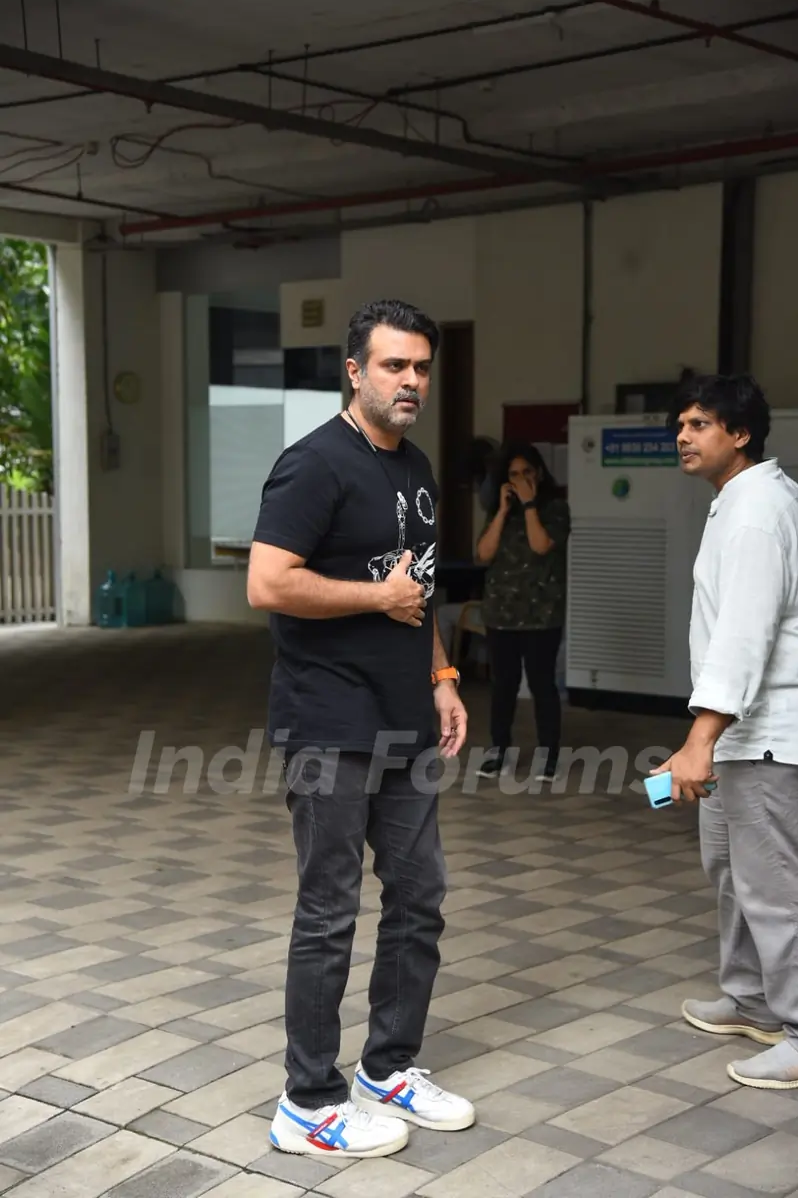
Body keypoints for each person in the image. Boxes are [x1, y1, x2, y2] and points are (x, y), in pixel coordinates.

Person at [247, 298, 475, 1158]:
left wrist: (442, 677)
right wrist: (377, 597)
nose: (411, 381)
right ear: (354, 371)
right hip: (329, 722)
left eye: (421, 367)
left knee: (419, 897)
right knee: (330, 911)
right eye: (394, 365)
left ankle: (388, 1069)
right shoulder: (313, 465)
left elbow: (418, 591)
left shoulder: (415, 466)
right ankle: (308, 1103)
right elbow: (268, 582)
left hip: (405, 720)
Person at [653, 373, 798, 1091]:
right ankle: (751, 999)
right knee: (731, 870)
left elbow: (745, 636)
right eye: (681, 424)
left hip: (765, 733)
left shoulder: (755, 513)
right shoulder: (738, 500)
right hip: (739, 734)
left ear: (740, 434)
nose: (683, 436)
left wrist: (698, 741)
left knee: (773, 887)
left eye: (700, 424)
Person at [474, 441, 570, 782]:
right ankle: (499, 751)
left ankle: (549, 755)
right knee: (503, 686)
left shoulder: (555, 508)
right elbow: (483, 554)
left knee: (542, 685)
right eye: (513, 474)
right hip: (501, 614)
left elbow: (540, 545)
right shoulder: (499, 511)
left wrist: (529, 505)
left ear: (539, 473)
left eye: (527, 472)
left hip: (542, 615)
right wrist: (502, 511)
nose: (520, 479)